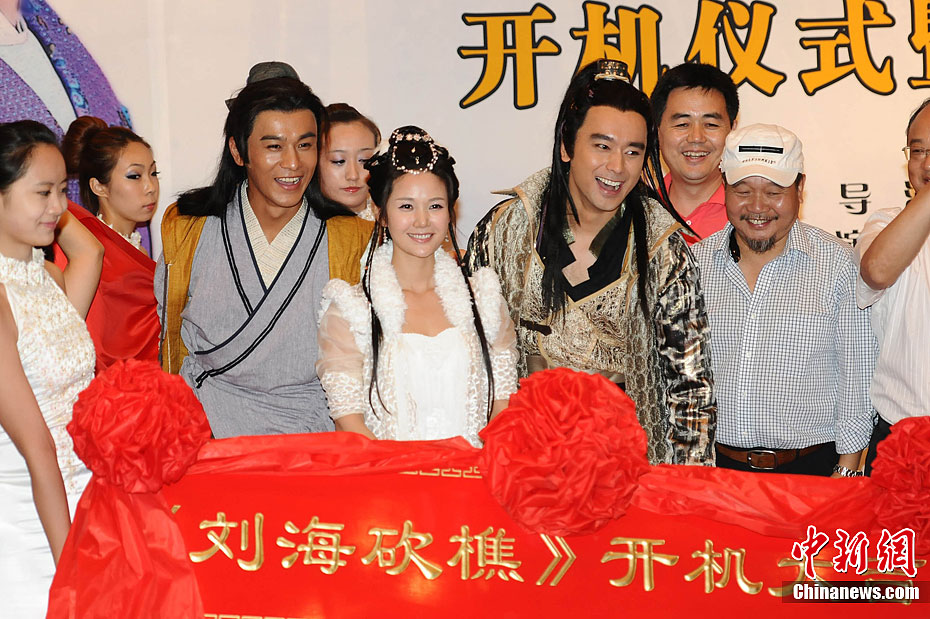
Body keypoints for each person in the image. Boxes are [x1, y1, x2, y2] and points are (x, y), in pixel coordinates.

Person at [466, 59, 716, 466]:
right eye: (602, 146)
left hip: (628, 470)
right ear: (567, 146)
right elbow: (470, 357)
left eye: (633, 151)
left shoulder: (663, 247)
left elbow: (691, 390)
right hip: (522, 465)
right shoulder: (506, 229)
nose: (617, 167)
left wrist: (688, 488)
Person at [156, 75, 372, 438]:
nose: (293, 163)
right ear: (238, 151)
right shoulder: (188, 227)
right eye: (274, 146)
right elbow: (169, 335)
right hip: (206, 430)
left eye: (305, 145)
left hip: (312, 435)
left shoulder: (352, 237)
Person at [691, 123, 875, 476]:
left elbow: (857, 377)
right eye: (742, 191)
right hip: (713, 469)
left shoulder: (838, 264)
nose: (757, 207)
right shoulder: (694, 265)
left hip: (812, 468)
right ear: (724, 187)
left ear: (800, 188)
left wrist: (847, 472)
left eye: (774, 191)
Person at [317, 127, 518, 446]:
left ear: (451, 210)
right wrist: (407, 470)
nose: (422, 221)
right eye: (406, 207)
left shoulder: (484, 300)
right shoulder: (351, 310)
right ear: (381, 213)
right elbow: (348, 420)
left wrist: (477, 464)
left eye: (435, 206)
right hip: (388, 473)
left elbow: (503, 406)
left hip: (475, 471)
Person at [0, 120, 102, 616]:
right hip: (27, 518)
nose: (59, 207)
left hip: (87, 497)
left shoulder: (49, 277)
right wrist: (73, 574)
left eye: (64, 190)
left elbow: (92, 250)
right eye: (42, 192)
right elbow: (38, 449)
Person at [858, 98, 930, 473]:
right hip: (901, 439)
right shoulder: (884, 223)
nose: (927, 164)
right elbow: (877, 271)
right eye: (918, 151)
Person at [57, 116, 160, 372]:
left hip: (155, 381)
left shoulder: (139, 250)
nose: (150, 187)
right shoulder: (85, 246)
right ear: (99, 187)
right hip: (106, 384)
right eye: (135, 176)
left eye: (154, 173)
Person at [651, 62, 739, 244]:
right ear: (657, 132)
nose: (696, 138)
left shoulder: (753, 215)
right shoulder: (638, 214)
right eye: (682, 124)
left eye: (711, 124)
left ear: (733, 131)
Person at [318, 103, 380, 220]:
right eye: (339, 161)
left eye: (364, 160)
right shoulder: (302, 225)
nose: (353, 175)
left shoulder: (395, 219)